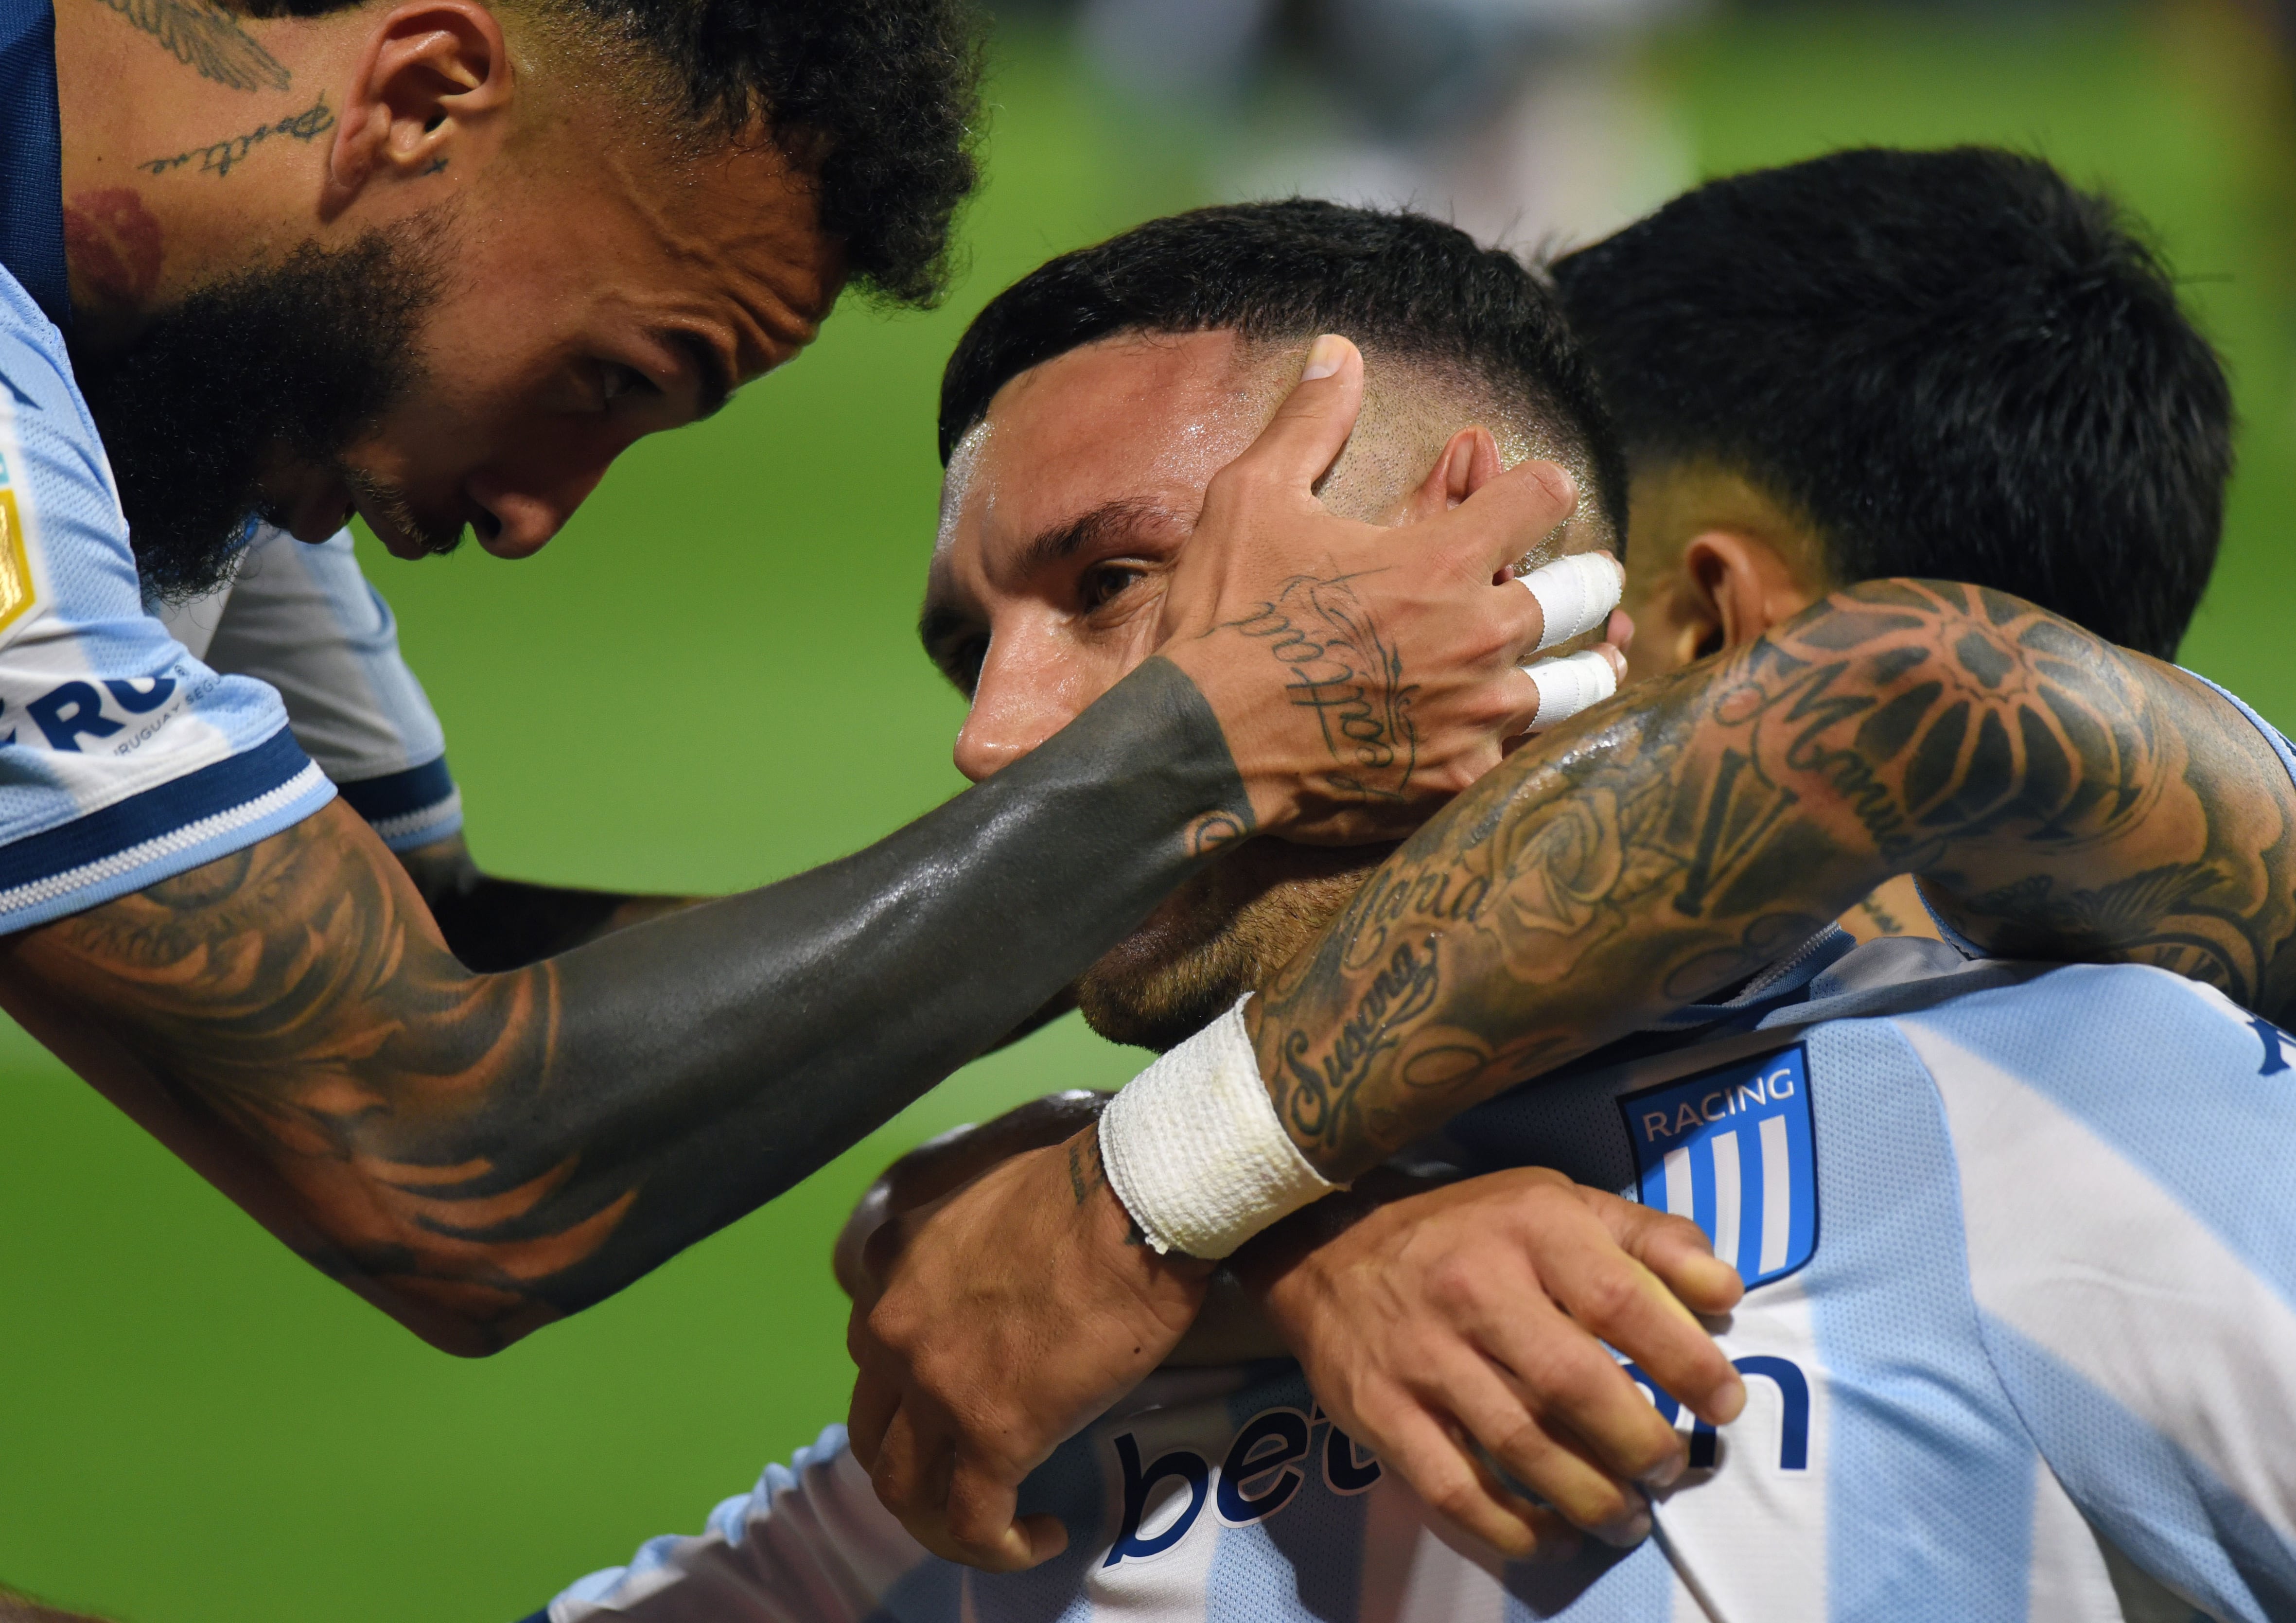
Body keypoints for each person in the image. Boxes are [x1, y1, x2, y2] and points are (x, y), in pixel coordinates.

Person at [548, 183, 2296, 1620]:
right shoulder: (1039, 1329)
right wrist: (1232, 1240)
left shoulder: (2075, 1118)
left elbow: (1909, 700)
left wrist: (1150, 1185)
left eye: (1115, 584)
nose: (998, 740)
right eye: (972, 645)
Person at [0, 0, 1589, 1376]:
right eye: (607, 380)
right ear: (420, 100)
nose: (535, 518)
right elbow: (442, 1144)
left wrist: (1180, 901)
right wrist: (1209, 747)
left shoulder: (174, 389)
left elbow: (419, 953)